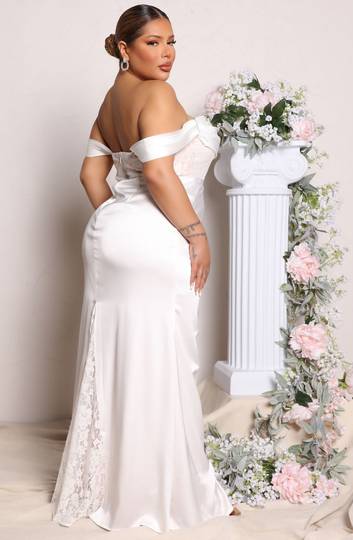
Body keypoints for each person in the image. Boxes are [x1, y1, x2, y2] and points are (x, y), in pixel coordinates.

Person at [50, 3, 240, 533]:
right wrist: (197, 235)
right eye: (153, 43)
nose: (166, 54)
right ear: (124, 48)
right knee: (159, 356)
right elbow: (158, 173)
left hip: (110, 236)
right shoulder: (156, 94)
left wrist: (119, 218)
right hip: (156, 237)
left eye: (172, 41)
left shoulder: (111, 99)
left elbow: (91, 175)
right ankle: (159, 490)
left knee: (117, 353)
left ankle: (111, 482)